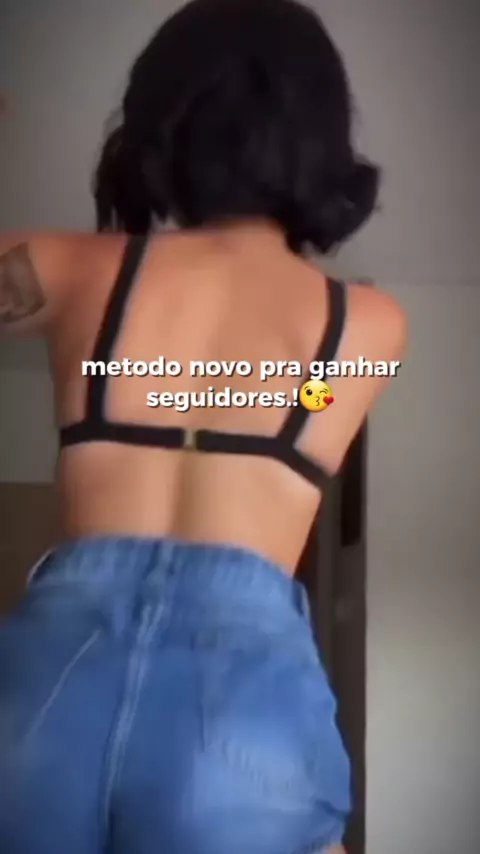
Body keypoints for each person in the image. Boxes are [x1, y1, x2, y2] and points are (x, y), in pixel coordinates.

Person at [0, 1, 406, 852]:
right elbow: (314, 410)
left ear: (158, 123)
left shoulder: (69, 268)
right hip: (240, 704)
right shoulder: (365, 327)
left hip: (50, 687)